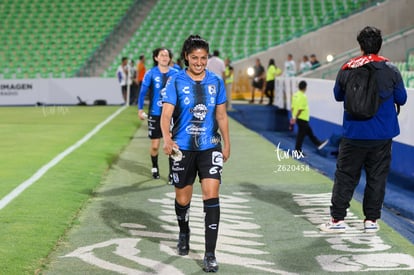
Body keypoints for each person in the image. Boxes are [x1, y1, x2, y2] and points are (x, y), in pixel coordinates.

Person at [319, 26, 407, 233]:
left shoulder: (347, 68)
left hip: (354, 133)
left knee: (346, 176)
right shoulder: (390, 69)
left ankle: (337, 219)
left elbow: (338, 96)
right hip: (382, 134)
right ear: (379, 45)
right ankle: (371, 220)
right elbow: (402, 98)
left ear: (360, 46)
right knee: (377, 177)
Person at [160, 34, 230, 272]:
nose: (199, 62)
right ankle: (184, 232)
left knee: (211, 194)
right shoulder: (176, 81)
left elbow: (221, 115)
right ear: (186, 58)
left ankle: (210, 254)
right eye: (194, 58)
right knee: (183, 199)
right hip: (183, 148)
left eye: (203, 58)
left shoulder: (216, 81)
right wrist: (167, 138)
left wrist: (227, 143)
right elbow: (166, 114)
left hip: (210, 146)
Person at [138, 48, 179, 179]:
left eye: (167, 55)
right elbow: (142, 92)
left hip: (172, 114)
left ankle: (172, 172)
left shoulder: (176, 73)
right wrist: (140, 109)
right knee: (155, 146)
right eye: (162, 55)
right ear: (156, 58)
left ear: (170, 58)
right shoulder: (151, 73)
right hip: (155, 114)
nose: (164, 57)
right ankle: (154, 167)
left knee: (171, 144)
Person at [290, 80, 328, 154]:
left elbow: (292, 108)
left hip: (298, 118)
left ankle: (318, 143)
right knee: (301, 135)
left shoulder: (295, 95)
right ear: (305, 87)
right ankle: (297, 151)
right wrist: (295, 118)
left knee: (308, 132)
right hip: (302, 118)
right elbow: (300, 109)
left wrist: (293, 117)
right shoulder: (303, 96)